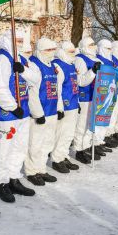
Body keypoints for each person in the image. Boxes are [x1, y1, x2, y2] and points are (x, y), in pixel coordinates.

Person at [0, 29, 39, 203]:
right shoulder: (3, 59)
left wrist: (23, 71)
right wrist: (12, 106)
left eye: (20, 40)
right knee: (4, 149)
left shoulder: (21, 59)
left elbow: (36, 79)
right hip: (8, 114)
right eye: (15, 40)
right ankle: (1, 183)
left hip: (23, 111)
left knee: (19, 147)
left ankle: (13, 178)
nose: (18, 43)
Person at [23, 37, 62, 185]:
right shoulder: (34, 64)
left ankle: (41, 169)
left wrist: (58, 107)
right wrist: (38, 113)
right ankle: (32, 171)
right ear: (40, 51)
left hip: (51, 110)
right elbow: (32, 92)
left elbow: (56, 89)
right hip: (40, 112)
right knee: (35, 144)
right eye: (48, 50)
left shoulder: (51, 65)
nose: (51, 53)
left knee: (47, 143)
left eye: (53, 50)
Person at [50, 41, 81, 173]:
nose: (72, 54)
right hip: (65, 105)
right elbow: (57, 88)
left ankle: (63, 155)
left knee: (68, 135)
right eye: (70, 51)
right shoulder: (58, 65)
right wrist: (59, 107)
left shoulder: (71, 65)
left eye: (73, 51)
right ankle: (57, 159)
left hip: (73, 104)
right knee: (61, 134)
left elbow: (77, 84)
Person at [73, 37, 102, 164]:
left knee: (90, 125)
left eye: (94, 44)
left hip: (95, 96)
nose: (93, 46)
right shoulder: (80, 59)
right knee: (81, 125)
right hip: (84, 97)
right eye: (90, 44)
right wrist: (93, 71)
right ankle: (79, 150)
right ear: (84, 46)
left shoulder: (96, 59)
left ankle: (87, 146)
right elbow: (80, 81)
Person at [95, 39, 118, 150]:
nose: (109, 51)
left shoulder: (111, 61)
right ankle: (96, 141)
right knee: (99, 118)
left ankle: (102, 139)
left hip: (111, 92)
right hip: (101, 94)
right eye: (107, 48)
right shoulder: (98, 60)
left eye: (110, 49)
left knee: (108, 117)